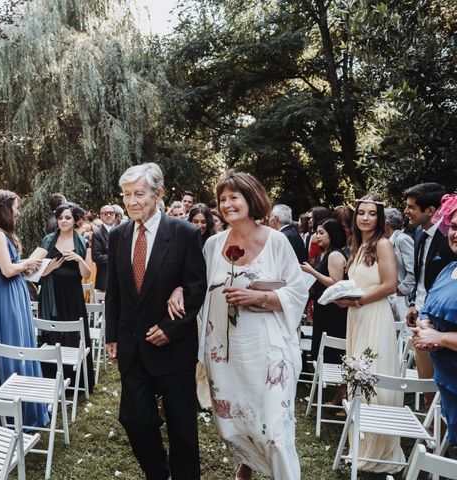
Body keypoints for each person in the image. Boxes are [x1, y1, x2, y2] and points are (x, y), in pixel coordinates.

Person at [198, 172, 307, 480]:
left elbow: (297, 291)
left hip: (268, 349)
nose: (228, 204)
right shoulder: (212, 246)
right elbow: (199, 290)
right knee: (233, 424)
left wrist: (256, 296)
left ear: (251, 199)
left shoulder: (277, 241)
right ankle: (245, 467)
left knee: (275, 430)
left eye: (235, 197)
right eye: (223, 199)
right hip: (225, 352)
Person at [105, 163, 206, 480]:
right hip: (132, 346)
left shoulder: (184, 233)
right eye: (126, 195)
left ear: (159, 194)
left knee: (182, 429)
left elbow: (196, 286)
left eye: (139, 194)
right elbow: (115, 292)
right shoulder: (118, 235)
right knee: (133, 419)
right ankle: (157, 473)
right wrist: (111, 335)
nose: (132, 202)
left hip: (173, 348)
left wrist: (170, 328)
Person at [334, 194, 404, 473]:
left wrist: (358, 301)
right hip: (357, 316)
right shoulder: (359, 246)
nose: (365, 217)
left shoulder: (384, 244)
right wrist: (344, 298)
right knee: (357, 376)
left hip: (374, 315)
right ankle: (360, 446)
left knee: (371, 373)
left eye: (371, 213)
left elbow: (390, 285)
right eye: (361, 213)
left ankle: (378, 449)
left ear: (380, 217)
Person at [0, 190, 49, 428]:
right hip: (4, 296)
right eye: (16, 207)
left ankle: (31, 404)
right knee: (13, 345)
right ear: (5, 209)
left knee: (23, 343)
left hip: (14, 293)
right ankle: (17, 411)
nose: (18, 212)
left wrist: (26, 266)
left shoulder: (4, 234)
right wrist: (27, 264)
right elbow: (7, 270)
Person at [404, 183, 457, 408]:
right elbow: (425, 281)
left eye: (412, 207)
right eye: (454, 226)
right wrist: (422, 315)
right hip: (428, 330)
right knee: (432, 396)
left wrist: (439, 337)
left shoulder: (446, 248)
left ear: (431, 211)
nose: (456, 233)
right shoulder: (449, 268)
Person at [38, 202, 95, 392]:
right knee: (53, 333)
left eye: (67, 218)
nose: (63, 221)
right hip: (51, 292)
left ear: (75, 220)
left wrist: (78, 258)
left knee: (73, 334)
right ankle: (52, 378)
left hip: (72, 294)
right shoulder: (47, 240)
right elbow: (37, 272)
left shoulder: (82, 242)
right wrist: (52, 266)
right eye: (60, 217)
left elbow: (86, 275)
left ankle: (75, 381)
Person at [300, 219, 347, 402]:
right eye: (316, 232)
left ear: (332, 234)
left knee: (333, 351)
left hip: (333, 311)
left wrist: (312, 272)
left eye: (321, 232)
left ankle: (340, 392)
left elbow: (336, 283)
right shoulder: (323, 254)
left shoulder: (335, 255)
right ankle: (335, 392)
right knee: (321, 348)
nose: (316, 236)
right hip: (322, 307)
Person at [384, 207, 415, 323]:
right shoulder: (386, 243)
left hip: (402, 297)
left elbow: (412, 270)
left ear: (387, 224)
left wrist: (401, 290)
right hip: (391, 297)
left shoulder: (403, 239)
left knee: (406, 333)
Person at [92, 205, 114, 291]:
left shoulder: (121, 231)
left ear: (114, 215)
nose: (108, 215)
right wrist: (114, 258)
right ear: (101, 216)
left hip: (120, 275)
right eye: (105, 213)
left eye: (111, 213)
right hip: (105, 275)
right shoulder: (97, 234)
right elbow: (96, 257)